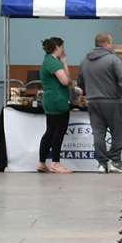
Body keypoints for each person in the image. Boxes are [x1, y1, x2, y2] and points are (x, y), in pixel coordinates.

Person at [77, 33, 122, 173]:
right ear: (106, 44)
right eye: (111, 42)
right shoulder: (113, 60)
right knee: (119, 132)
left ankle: (102, 164)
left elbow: (80, 82)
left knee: (98, 133)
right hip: (112, 101)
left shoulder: (84, 61)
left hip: (92, 102)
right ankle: (115, 160)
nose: (113, 45)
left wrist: (85, 95)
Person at [37, 37, 74, 174]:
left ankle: (41, 163)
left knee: (50, 131)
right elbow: (65, 81)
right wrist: (65, 64)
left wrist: (63, 62)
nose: (63, 50)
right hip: (58, 101)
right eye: (62, 47)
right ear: (57, 47)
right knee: (58, 132)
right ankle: (55, 163)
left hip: (50, 100)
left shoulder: (47, 60)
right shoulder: (53, 63)